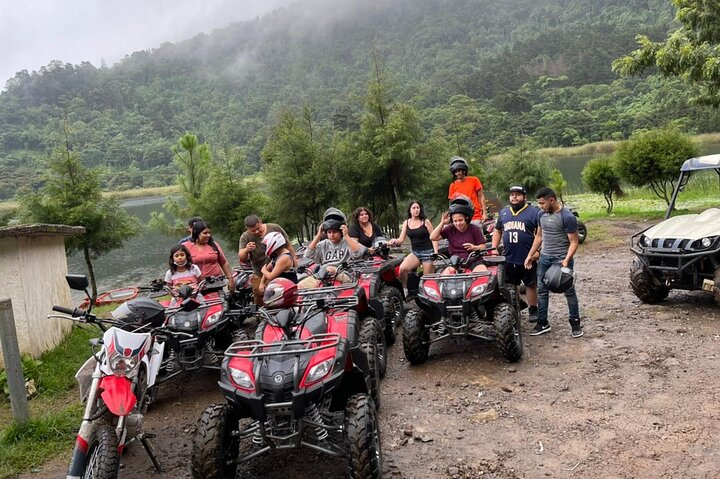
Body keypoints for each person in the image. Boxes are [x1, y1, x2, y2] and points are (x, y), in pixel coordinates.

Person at [523, 187, 582, 338]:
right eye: (539, 204)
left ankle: (575, 324)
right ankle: (542, 323)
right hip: (544, 258)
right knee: (542, 290)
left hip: (562, 259)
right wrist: (530, 255)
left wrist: (567, 260)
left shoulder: (567, 217)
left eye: (542, 203)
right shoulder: (541, 214)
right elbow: (539, 236)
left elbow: (574, 242)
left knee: (569, 291)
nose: (540, 206)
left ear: (552, 200)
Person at [492, 186, 539, 322]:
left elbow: (539, 234)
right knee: (511, 284)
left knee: (530, 284)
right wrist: (494, 247)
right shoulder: (504, 212)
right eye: (512, 194)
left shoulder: (533, 212)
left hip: (527, 256)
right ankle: (516, 306)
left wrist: (537, 251)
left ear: (524, 197)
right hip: (509, 256)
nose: (514, 197)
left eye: (518, 195)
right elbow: (498, 231)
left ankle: (533, 309)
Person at [298, 207, 367, 288]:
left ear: (341, 232)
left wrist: (346, 236)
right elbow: (308, 255)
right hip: (322, 276)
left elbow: (358, 254)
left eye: (334, 232)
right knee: (299, 286)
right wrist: (318, 235)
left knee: (330, 269)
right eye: (329, 232)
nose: (331, 235)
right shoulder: (322, 244)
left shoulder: (348, 242)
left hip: (345, 274)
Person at [238, 215, 297, 305]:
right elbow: (242, 257)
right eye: (253, 231)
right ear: (247, 229)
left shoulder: (274, 228)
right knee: (259, 295)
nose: (257, 232)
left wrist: (295, 262)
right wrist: (247, 250)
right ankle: (260, 315)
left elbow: (288, 245)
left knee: (277, 296)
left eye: (258, 228)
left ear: (261, 222)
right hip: (259, 271)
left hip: (277, 271)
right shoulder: (245, 237)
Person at [429, 195, 488, 273]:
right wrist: (442, 223)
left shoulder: (474, 229)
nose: (457, 223)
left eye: (460, 220)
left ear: (466, 218)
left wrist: (474, 247)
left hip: (474, 260)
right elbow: (433, 237)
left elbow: (483, 246)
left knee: (482, 272)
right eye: (455, 221)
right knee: (445, 275)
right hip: (455, 262)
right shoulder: (450, 229)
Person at [389, 200, 438, 291]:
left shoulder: (425, 222)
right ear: (410, 210)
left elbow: (434, 238)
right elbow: (401, 240)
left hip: (428, 253)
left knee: (426, 279)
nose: (416, 210)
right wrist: (394, 241)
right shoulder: (406, 223)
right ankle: (405, 289)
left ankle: (426, 296)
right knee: (402, 269)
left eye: (418, 208)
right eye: (414, 208)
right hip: (415, 252)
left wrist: (435, 253)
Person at [181, 221, 235, 292]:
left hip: (216, 282)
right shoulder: (186, 246)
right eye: (205, 233)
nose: (208, 235)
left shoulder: (214, 245)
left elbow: (224, 262)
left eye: (209, 233)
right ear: (197, 233)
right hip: (196, 284)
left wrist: (230, 279)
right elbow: (179, 264)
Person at [448, 156, 487, 226]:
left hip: (475, 216)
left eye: (459, 171)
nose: (457, 173)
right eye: (455, 172)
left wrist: (484, 213)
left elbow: (481, 196)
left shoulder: (474, 180)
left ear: (464, 170)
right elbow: (451, 203)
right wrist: (451, 217)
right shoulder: (452, 185)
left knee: (477, 236)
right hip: (461, 218)